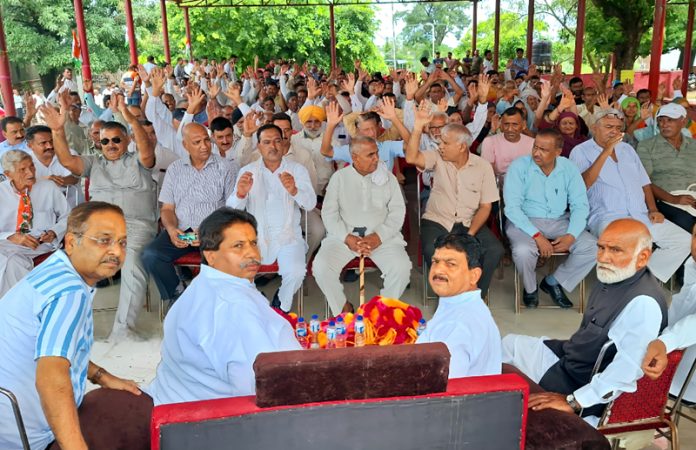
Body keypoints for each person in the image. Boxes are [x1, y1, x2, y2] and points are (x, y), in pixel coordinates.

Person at [0, 202, 151, 450]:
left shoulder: (55, 272)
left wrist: (101, 376)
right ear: (71, 242)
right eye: (104, 240)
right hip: (25, 437)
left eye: (122, 242)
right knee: (138, 418)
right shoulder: (69, 291)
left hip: (10, 420)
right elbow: (52, 378)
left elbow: (54, 344)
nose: (116, 251)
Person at [503, 218, 668, 424]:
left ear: (642, 257)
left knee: (504, 355)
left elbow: (627, 368)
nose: (604, 257)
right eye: (601, 248)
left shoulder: (643, 303)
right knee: (506, 344)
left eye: (616, 250)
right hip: (570, 358)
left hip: (579, 384)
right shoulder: (614, 277)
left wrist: (574, 401)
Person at [145, 207, 301, 405]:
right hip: (215, 418)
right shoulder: (232, 307)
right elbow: (262, 387)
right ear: (211, 256)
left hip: (180, 398)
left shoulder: (204, 287)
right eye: (238, 246)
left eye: (253, 243)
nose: (252, 253)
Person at [41, 95, 158, 342]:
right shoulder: (94, 163)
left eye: (117, 139)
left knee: (133, 260)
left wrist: (129, 118)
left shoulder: (139, 161)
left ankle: (122, 329)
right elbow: (66, 161)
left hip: (135, 227)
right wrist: (57, 130)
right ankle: (65, 326)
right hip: (99, 229)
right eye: (105, 141)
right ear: (99, 144)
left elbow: (146, 150)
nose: (111, 144)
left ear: (127, 140)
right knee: (71, 260)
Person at [570, 108, 691, 284]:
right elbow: (583, 185)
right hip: (607, 217)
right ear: (594, 127)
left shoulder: (627, 149)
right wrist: (606, 151)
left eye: (618, 127)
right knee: (623, 246)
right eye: (609, 126)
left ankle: (644, 279)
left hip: (640, 214)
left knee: (683, 241)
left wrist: (653, 209)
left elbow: (644, 182)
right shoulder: (580, 151)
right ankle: (628, 284)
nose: (614, 131)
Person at [406, 101, 503, 298]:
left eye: (445, 143)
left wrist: (471, 234)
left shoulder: (482, 166)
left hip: (469, 221)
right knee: (431, 249)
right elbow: (411, 158)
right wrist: (417, 128)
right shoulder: (437, 157)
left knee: (494, 250)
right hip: (438, 220)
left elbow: (486, 206)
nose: (440, 146)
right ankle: (446, 296)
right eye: (440, 142)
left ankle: (474, 298)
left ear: (461, 146)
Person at [142, 122, 238, 308]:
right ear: (185, 145)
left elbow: (232, 211)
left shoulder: (226, 168)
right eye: (196, 142)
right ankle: (177, 293)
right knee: (150, 255)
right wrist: (171, 230)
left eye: (206, 140)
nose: (204, 146)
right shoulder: (175, 169)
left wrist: (207, 231)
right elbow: (168, 209)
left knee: (221, 263)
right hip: (182, 230)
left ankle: (212, 304)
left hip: (214, 234)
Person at [313, 136, 411, 315]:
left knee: (401, 268)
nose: (377, 158)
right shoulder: (339, 178)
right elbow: (329, 213)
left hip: (383, 238)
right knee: (320, 267)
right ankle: (343, 309)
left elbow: (397, 212)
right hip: (343, 238)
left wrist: (378, 236)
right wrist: (347, 237)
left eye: (377, 153)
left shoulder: (388, 177)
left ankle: (381, 312)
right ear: (355, 157)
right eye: (371, 155)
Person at [504, 129, 597, 308]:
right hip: (524, 221)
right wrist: (538, 237)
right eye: (535, 147)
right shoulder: (519, 167)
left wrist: (571, 235)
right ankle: (530, 289)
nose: (536, 153)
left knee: (592, 248)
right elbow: (513, 208)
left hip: (559, 221)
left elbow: (580, 205)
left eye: (544, 150)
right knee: (523, 251)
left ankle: (554, 281)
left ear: (558, 152)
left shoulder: (568, 168)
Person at [227, 124, 315, 312]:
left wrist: (294, 190)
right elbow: (232, 210)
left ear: (284, 144)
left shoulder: (296, 170)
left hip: (288, 235)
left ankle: (280, 305)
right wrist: (241, 194)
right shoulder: (248, 172)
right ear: (258, 146)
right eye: (267, 142)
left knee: (297, 272)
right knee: (234, 271)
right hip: (254, 238)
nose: (273, 146)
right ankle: (259, 302)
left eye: (277, 141)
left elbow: (310, 204)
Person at [416, 232, 501, 377]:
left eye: (451, 264)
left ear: (474, 276)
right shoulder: (464, 305)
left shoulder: (457, 326)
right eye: (435, 261)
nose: (438, 270)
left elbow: (446, 389)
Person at [0, 150, 69, 296]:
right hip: (9, 246)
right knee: (12, 260)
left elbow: (68, 215)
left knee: (13, 263)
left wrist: (54, 232)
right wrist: (11, 236)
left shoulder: (48, 187)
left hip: (41, 245)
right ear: (8, 174)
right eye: (22, 170)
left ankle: (16, 307)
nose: (30, 173)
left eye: (32, 167)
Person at [642, 226, 696, 400]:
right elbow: (681, 307)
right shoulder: (693, 264)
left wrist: (664, 342)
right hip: (668, 362)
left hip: (685, 381)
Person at [636, 103, 696, 234]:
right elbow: (644, 181)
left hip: (693, 197)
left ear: (683, 122)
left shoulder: (694, 145)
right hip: (666, 199)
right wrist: (674, 199)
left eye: (670, 120)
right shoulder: (647, 146)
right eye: (661, 120)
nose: (664, 124)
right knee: (688, 224)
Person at [25, 125, 82, 208]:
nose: (50, 146)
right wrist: (45, 180)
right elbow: (22, 183)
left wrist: (57, 180)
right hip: (41, 209)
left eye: (52, 141)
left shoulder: (69, 153)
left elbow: (75, 178)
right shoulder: (25, 160)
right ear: (30, 146)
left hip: (72, 207)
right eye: (43, 143)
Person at [480, 107, 534, 180]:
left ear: (523, 125)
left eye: (515, 124)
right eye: (506, 124)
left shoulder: (532, 143)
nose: (510, 129)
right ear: (501, 125)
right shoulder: (490, 141)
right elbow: (487, 174)